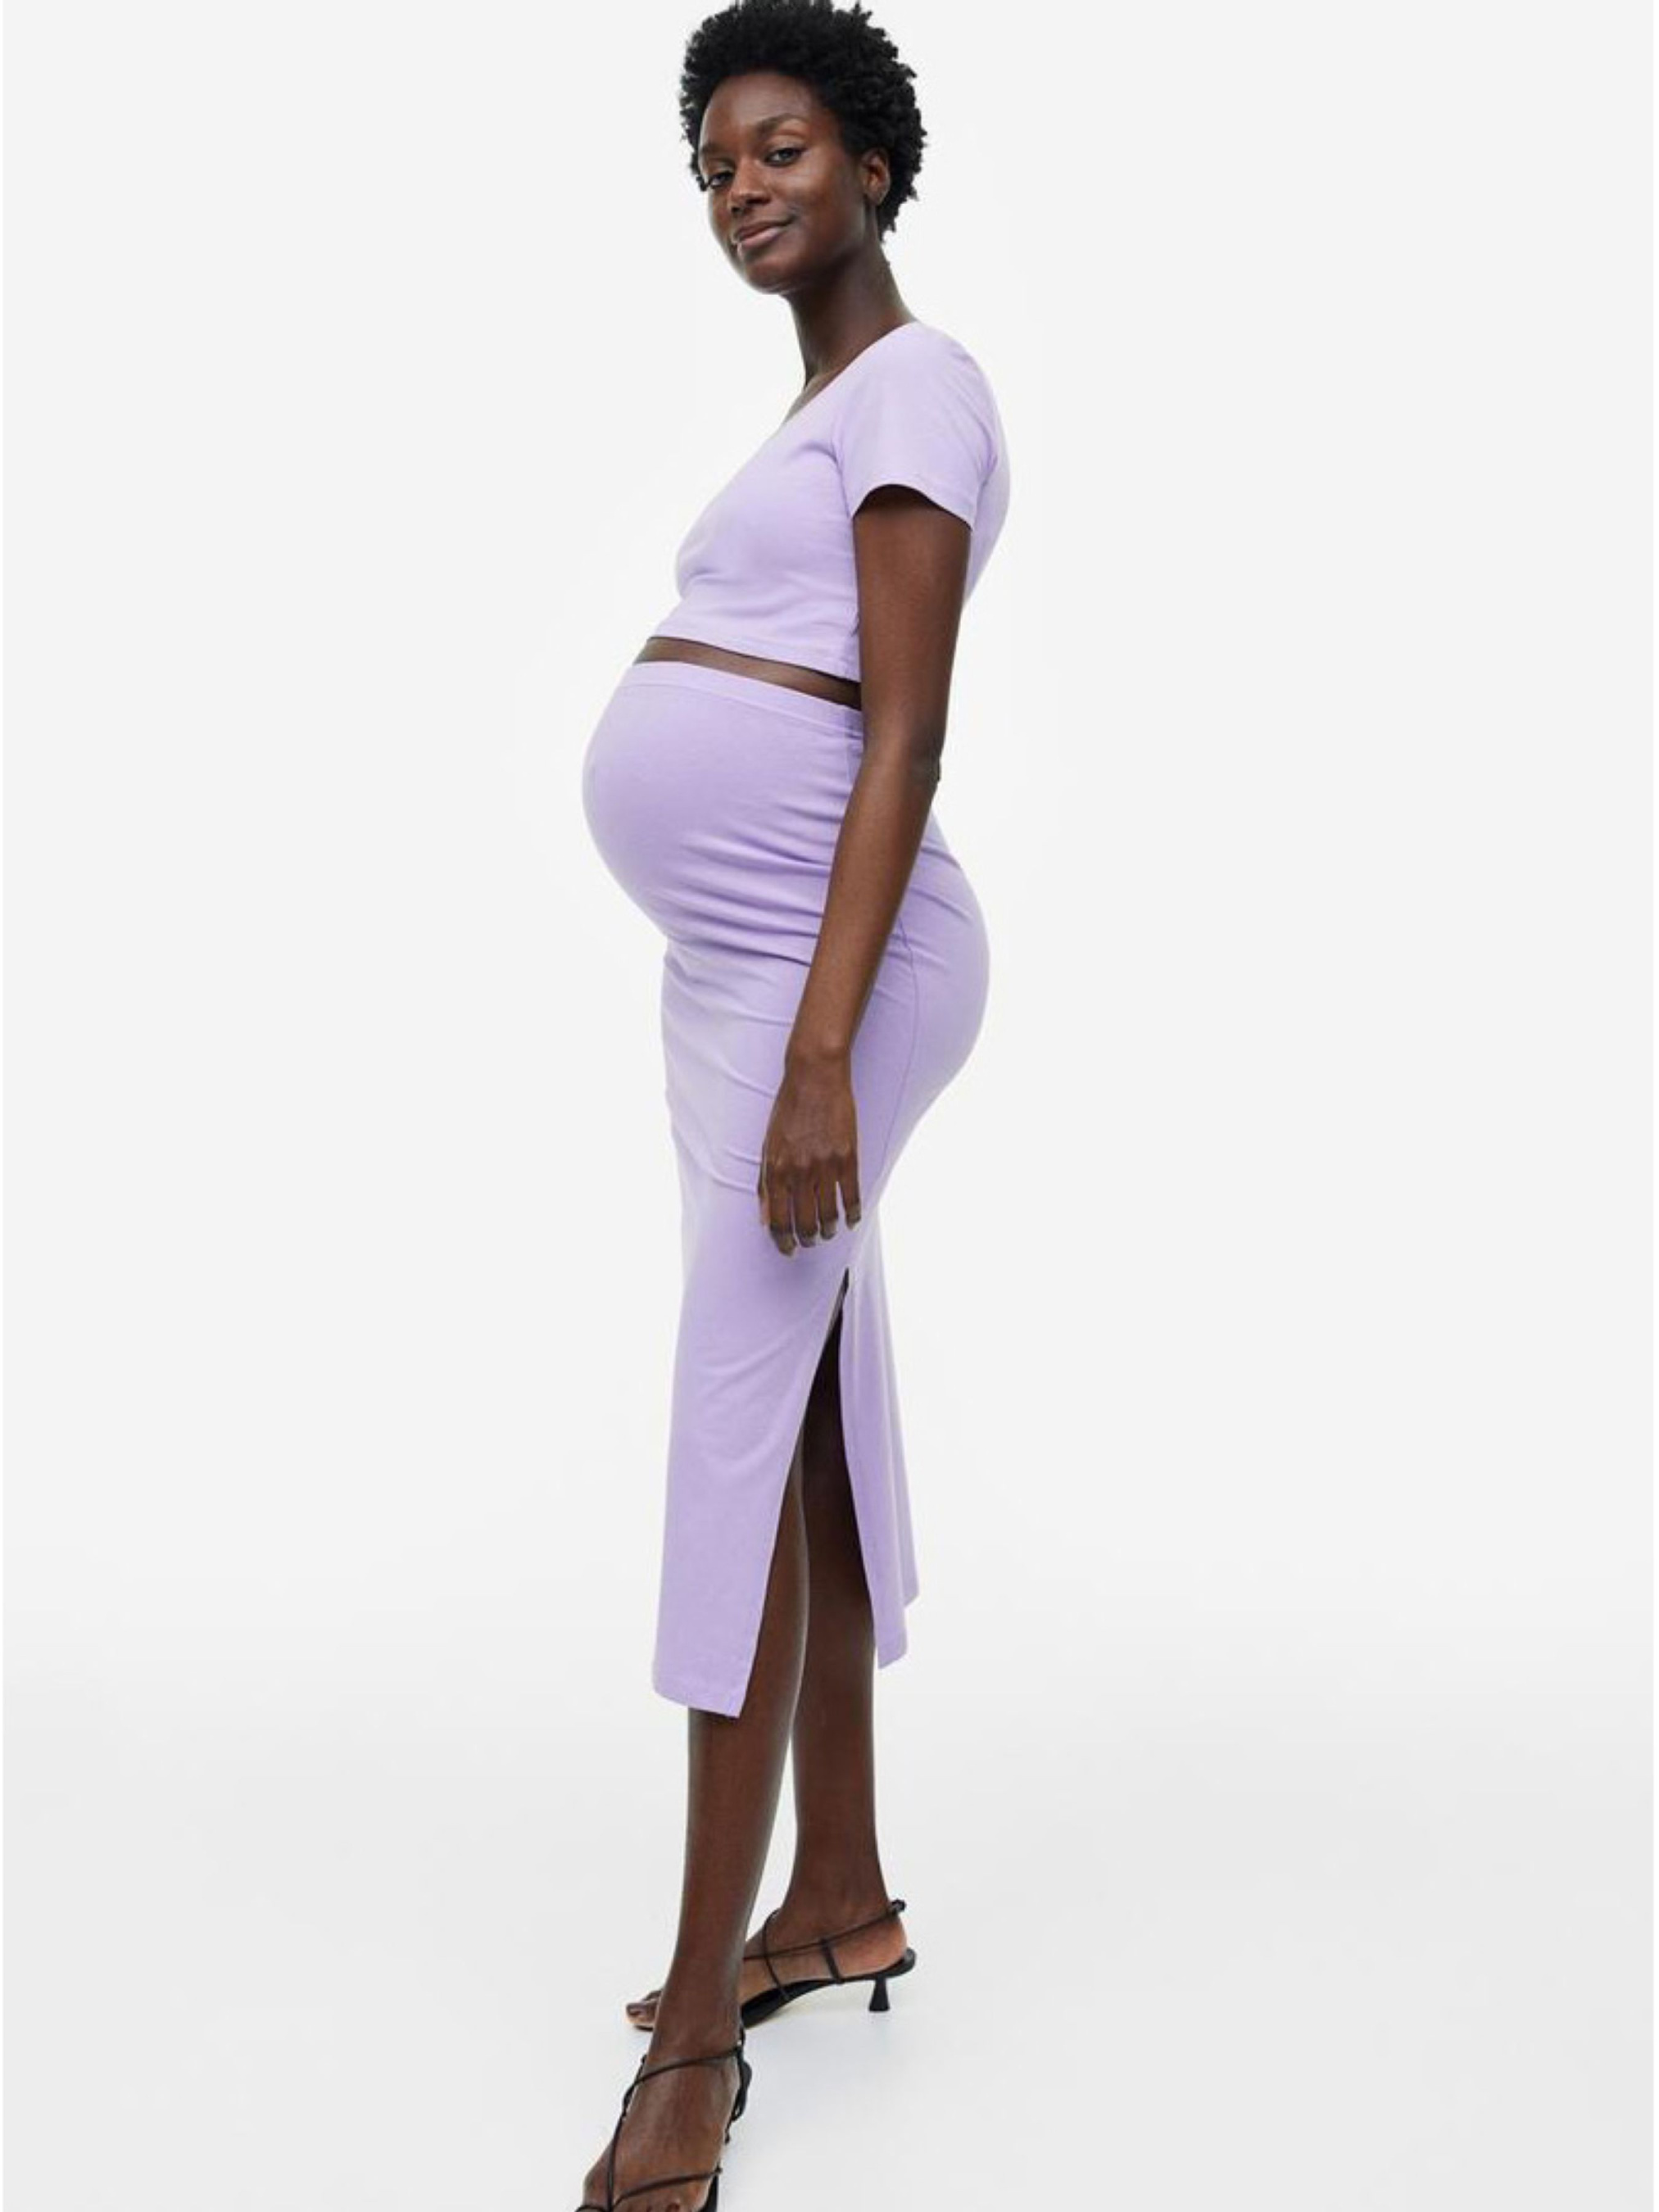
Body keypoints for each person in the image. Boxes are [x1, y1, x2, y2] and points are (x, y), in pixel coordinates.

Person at [576, 2, 1012, 2203]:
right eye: (712, 168)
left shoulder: (917, 385)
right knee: (807, 1399)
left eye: (776, 149)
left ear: (868, 160)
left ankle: (691, 2038)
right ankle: (833, 1889)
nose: (741, 188)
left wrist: (825, 1049)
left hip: (828, 976)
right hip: (738, 973)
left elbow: (905, 732)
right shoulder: (821, 410)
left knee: (732, 1437)